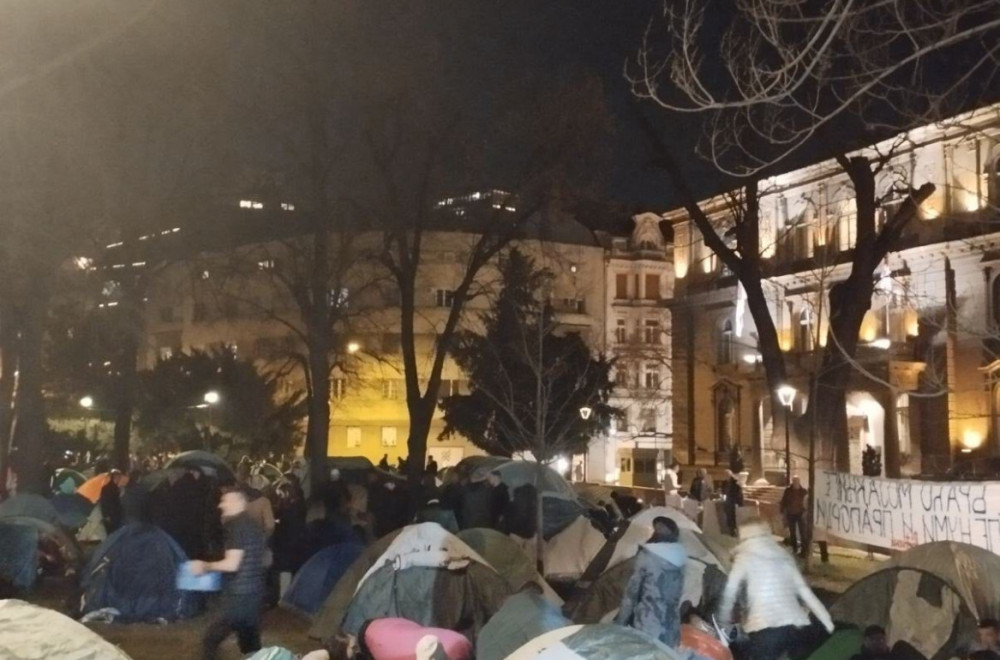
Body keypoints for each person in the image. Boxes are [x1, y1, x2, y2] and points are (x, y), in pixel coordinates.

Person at [718, 521, 834, 660]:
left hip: (765, 628)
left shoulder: (744, 557)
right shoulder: (782, 555)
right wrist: (827, 621)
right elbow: (804, 591)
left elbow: (730, 592)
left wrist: (722, 621)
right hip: (795, 626)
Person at [192, 485, 267, 660]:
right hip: (254, 592)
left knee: (211, 640)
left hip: (238, 594)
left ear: (237, 503)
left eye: (224, 501)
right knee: (251, 646)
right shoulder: (253, 524)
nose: (220, 505)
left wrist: (205, 566)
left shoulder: (235, 526)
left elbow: (232, 564)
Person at [615, 516, 686, 648]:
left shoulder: (647, 556)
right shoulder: (681, 558)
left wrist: (620, 623)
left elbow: (631, 594)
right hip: (671, 629)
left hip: (647, 626)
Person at [781, 476, 809, 556]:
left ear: (799, 482)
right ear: (792, 482)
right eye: (794, 481)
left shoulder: (803, 491)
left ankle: (804, 550)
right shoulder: (788, 491)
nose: (796, 482)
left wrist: (805, 512)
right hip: (791, 514)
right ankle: (794, 548)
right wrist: (782, 511)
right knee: (792, 532)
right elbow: (784, 501)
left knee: (803, 532)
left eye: (797, 481)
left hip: (800, 514)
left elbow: (807, 502)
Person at [99, 470, 125, 535]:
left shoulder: (107, 488)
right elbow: (106, 502)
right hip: (113, 514)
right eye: (119, 478)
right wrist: (107, 515)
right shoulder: (113, 488)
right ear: (116, 477)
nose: (120, 479)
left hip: (112, 514)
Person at [721, 469, 743, 537]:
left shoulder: (735, 482)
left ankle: (734, 530)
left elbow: (739, 493)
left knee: (733, 517)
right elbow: (723, 491)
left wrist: (738, 503)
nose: (725, 476)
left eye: (726, 475)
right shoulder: (725, 483)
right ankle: (731, 530)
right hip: (728, 502)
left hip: (733, 502)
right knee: (728, 516)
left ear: (730, 475)